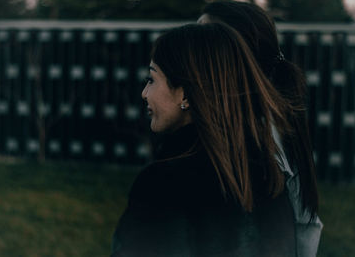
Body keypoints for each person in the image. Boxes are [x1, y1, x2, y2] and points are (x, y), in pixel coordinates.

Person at [111, 22, 309, 257]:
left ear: (185, 93)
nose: (144, 92)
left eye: (151, 79)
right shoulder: (270, 178)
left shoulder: (162, 185)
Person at [199, 1, 322, 257]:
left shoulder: (255, 142)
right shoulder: (267, 122)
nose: (190, 50)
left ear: (235, 58)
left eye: (202, 41)